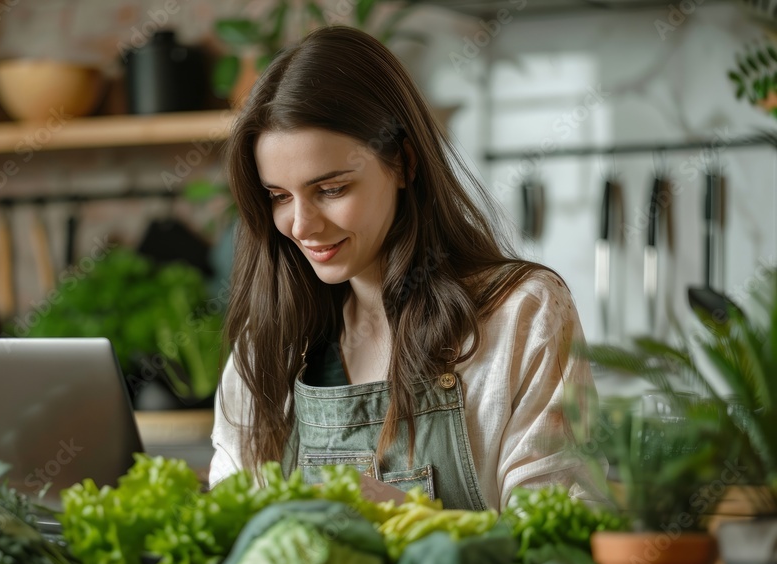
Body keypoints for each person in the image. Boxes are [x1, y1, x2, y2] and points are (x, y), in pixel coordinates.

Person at [209, 25, 607, 510]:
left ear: (403, 162)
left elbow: (563, 548)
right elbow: (230, 527)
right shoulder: (270, 344)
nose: (301, 225)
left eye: (331, 189)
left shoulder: (522, 314)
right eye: (278, 197)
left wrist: (407, 516)